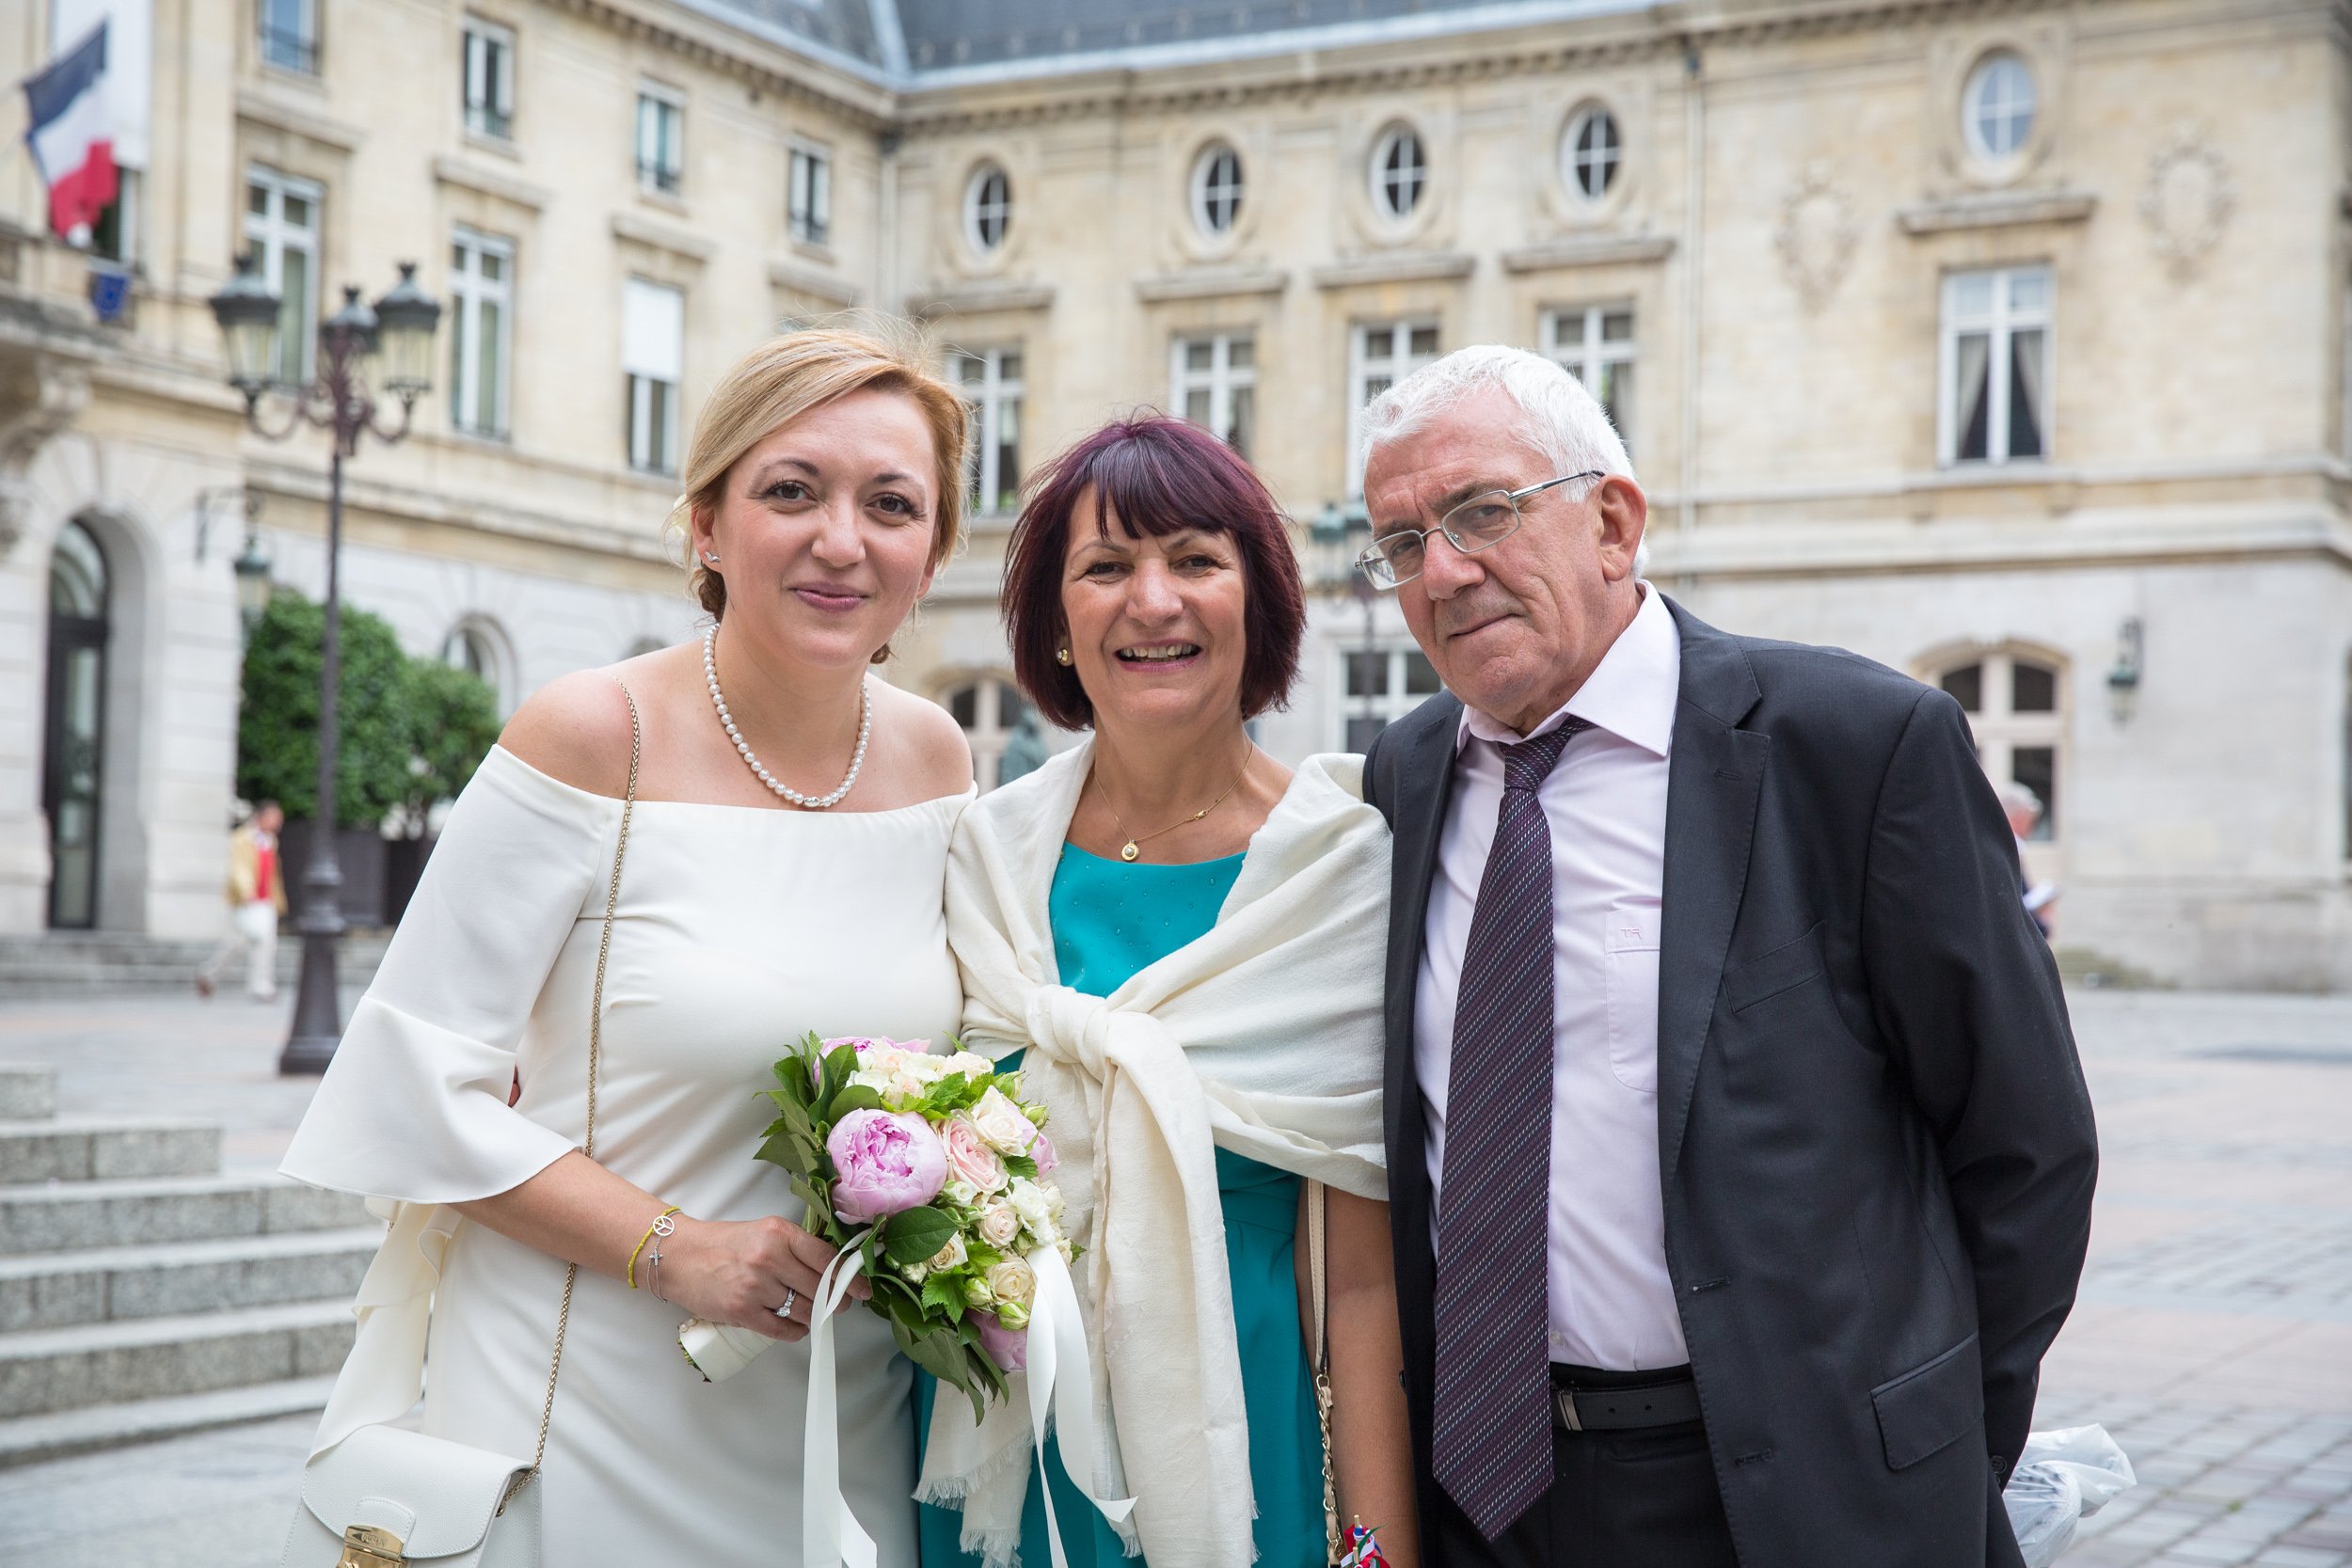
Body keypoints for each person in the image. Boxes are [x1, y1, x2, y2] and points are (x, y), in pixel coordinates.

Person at [1354, 346, 2098, 1568]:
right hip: (1490, 1497)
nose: (1442, 568)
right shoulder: (1407, 772)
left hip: (1797, 1499)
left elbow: (2028, 1147)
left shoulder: (1854, 747)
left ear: (1614, 520)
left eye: (1482, 510)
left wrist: (1934, 1443)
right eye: (1399, 541)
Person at [278, 326, 977, 1563]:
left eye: (890, 503)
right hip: (583, 1406)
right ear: (707, 525)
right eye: (790, 490)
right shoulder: (593, 733)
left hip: (838, 1420)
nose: (840, 538)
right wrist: (674, 1248)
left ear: (933, 551)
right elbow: (411, 1089)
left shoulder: (938, 757)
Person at [917, 415, 1421, 1568]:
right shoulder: (978, 857)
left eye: (1195, 559)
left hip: (1246, 1450)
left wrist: (1378, 1547)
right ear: (1056, 619)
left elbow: (1361, 1281)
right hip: (993, 1448)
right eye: (1105, 568)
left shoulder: (1338, 872)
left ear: (1261, 599)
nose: (1153, 601)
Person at [196, 800, 286, 1001]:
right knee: (234, 944)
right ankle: (208, 974)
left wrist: (277, 900)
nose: (277, 823)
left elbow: (272, 874)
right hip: (247, 901)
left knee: (265, 942)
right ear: (261, 817)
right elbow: (238, 867)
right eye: (274, 818)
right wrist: (246, 891)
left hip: (265, 902)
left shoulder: (271, 841)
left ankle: (261, 987)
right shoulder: (242, 838)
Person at [2000, 781, 2060, 938]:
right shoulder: (2007, 847)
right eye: (2030, 819)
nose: (2031, 827)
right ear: (2018, 816)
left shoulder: (2010, 846)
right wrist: (2042, 923)